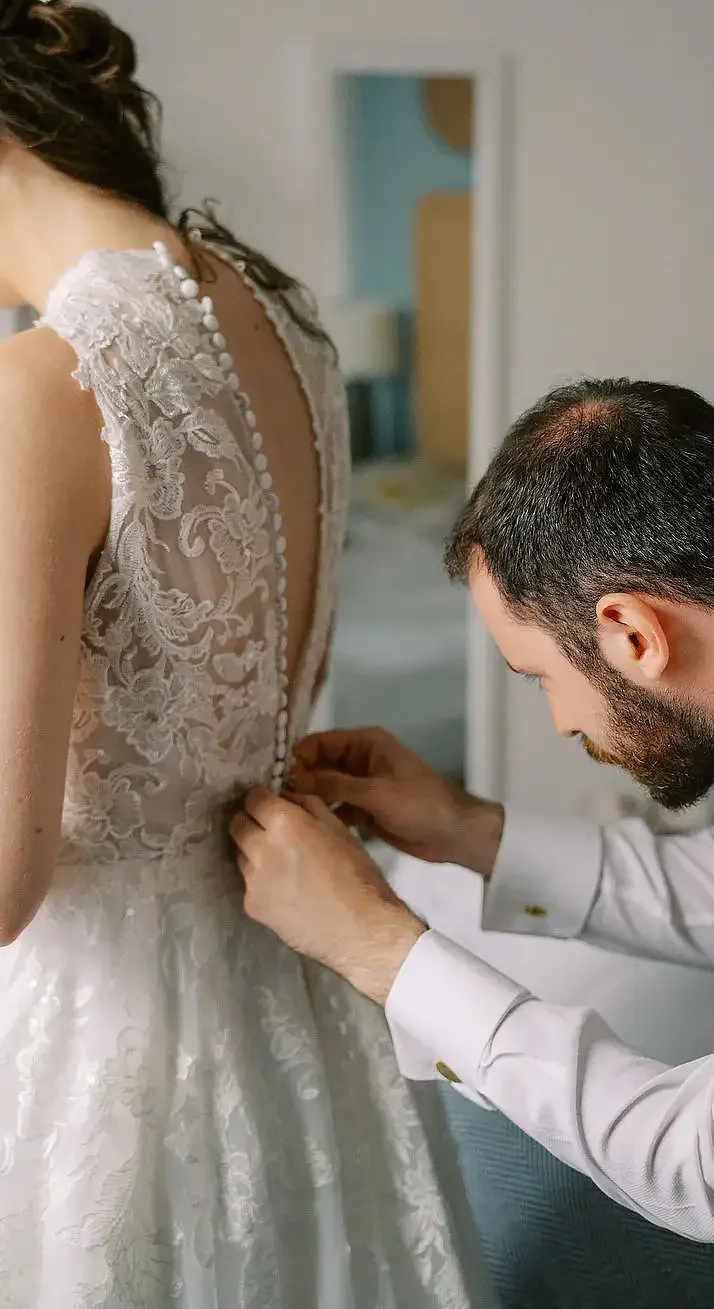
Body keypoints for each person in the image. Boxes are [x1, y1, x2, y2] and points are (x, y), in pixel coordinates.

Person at [234, 378, 714, 1309]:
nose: (565, 723)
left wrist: (380, 947)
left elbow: (712, 1163)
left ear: (633, 633)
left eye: (540, 678)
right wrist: (468, 831)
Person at [0, 2, 489, 1305]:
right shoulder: (286, 315)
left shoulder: (44, 384)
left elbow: (3, 876)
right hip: (280, 962)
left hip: (108, 1025)